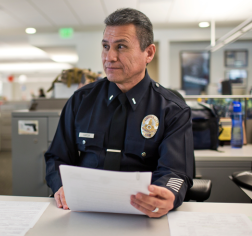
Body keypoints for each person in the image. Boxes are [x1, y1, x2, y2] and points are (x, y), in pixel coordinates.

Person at [45, 8, 193, 218]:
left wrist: (166, 194)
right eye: (105, 47)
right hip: (83, 211)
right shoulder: (81, 100)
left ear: (148, 53)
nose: (109, 57)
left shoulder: (172, 109)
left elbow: (176, 172)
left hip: (142, 213)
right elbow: (56, 156)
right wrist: (61, 187)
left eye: (121, 47)